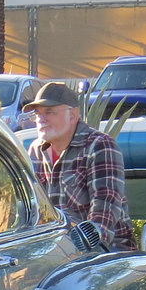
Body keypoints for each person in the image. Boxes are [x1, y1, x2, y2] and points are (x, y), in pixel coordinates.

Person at [22, 80, 134, 250]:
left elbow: (104, 209)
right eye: (37, 114)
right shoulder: (35, 150)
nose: (41, 119)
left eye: (49, 112)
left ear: (73, 115)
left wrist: (81, 249)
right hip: (56, 250)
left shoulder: (100, 146)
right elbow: (32, 208)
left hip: (107, 250)